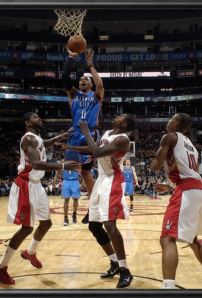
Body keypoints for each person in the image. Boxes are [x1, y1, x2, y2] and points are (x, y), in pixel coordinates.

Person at [0, 112, 80, 285]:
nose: (39, 118)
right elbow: (37, 164)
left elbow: (43, 144)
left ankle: (30, 252)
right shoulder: (29, 139)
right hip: (25, 184)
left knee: (46, 223)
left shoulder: (36, 139)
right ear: (27, 123)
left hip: (36, 185)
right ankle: (0, 268)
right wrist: (63, 166)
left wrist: (59, 137)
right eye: (35, 117)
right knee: (26, 228)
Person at [150, 113, 202, 289]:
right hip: (199, 190)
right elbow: (187, 170)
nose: (168, 121)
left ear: (177, 124)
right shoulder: (192, 146)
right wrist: (170, 186)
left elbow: (155, 165)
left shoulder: (169, 137)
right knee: (192, 240)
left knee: (167, 239)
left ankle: (168, 288)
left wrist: (156, 161)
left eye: (172, 119)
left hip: (187, 190)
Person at [62, 114, 135, 288]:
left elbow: (97, 152)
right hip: (101, 180)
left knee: (110, 225)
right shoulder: (108, 132)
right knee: (94, 225)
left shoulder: (123, 140)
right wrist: (68, 147)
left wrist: (87, 132)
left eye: (120, 116)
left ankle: (125, 270)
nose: (116, 115)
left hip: (113, 180)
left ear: (124, 124)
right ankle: (114, 263)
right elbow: (92, 149)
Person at [62, 47, 103, 224]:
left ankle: (94, 208)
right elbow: (65, 79)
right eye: (81, 80)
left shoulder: (96, 96)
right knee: (70, 168)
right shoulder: (74, 94)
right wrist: (70, 59)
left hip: (89, 135)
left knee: (86, 174)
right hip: (74, 133)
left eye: (86, 79)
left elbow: (100, 85)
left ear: (91, 84)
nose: (83, 81)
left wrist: (90, 65)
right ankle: (73, 210)